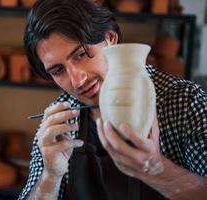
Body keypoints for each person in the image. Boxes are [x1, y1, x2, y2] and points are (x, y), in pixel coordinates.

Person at [18, 0, 207, 199]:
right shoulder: (60, 119)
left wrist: (156, 171)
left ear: (110, 38)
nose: (77, 80)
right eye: (58, 70)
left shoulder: (185, 102)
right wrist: (50, 176)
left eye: (81, 54)